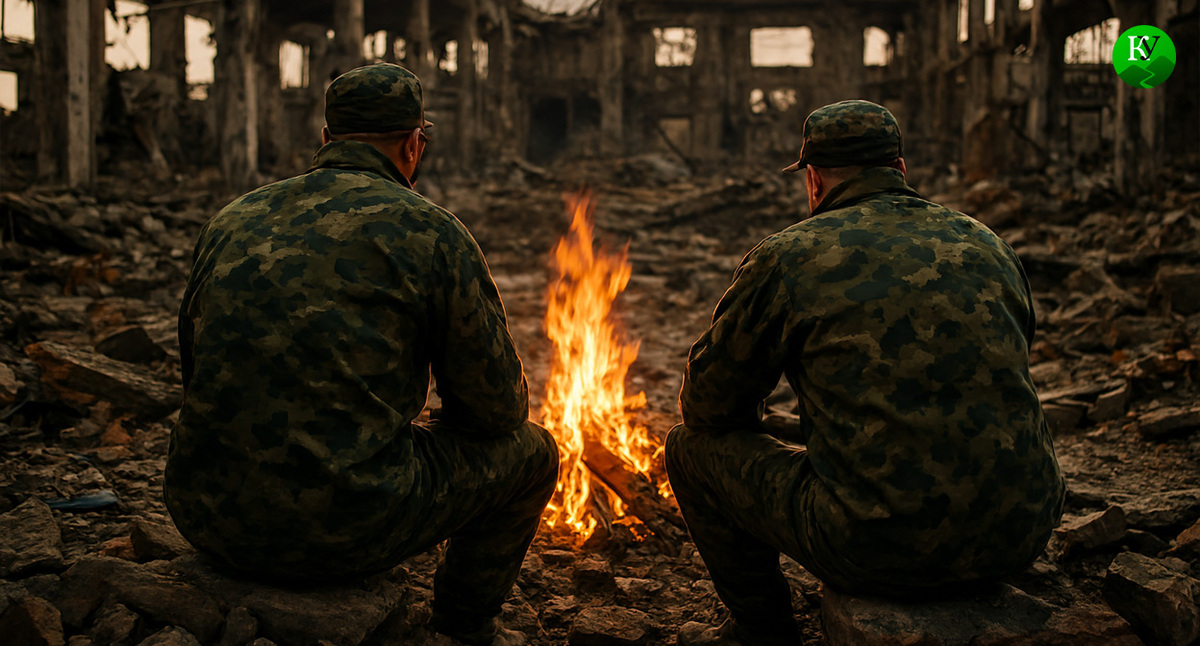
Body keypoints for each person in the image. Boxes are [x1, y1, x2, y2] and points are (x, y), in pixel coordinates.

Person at [164, 63, 558, 646]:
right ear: (412, 143)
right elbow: (499, 411)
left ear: (325, 139)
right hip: (344, 529)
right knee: (531, 454)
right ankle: (462, 625)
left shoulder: (231, 220)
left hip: (205, 515)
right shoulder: (433, 234)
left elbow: (196, 372)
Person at [665, 100, 1065, 646]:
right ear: (900, 170)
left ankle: (760, 631)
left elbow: (708, 407)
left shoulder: (790, 256)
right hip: (1025, 529)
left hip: (877, 546)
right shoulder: (988, 244)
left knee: (690, 448)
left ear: (813, 179)